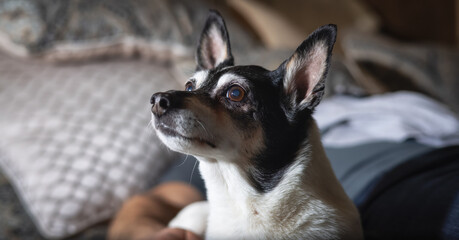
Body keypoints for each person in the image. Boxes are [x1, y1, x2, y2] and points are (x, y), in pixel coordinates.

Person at [108, 91, 459, 240]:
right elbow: (144, 206)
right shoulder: (213, 148)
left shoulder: (399, 103)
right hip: (386, 189)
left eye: (234, 94)